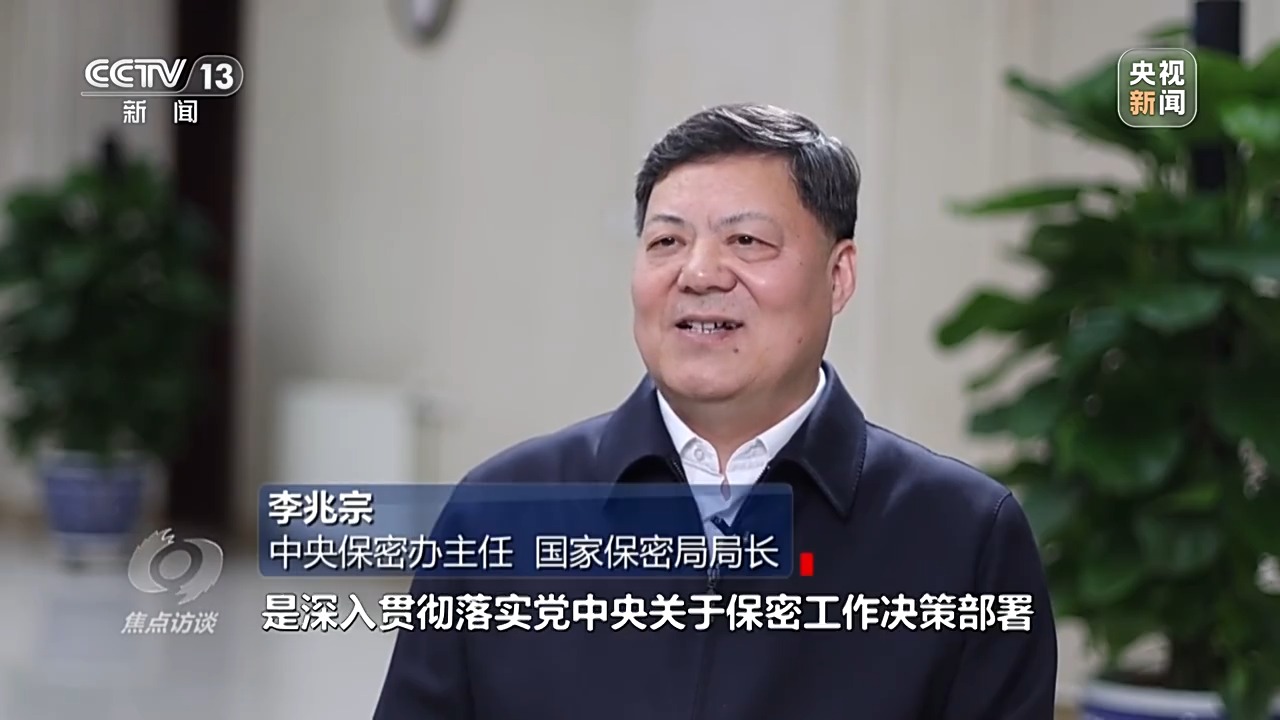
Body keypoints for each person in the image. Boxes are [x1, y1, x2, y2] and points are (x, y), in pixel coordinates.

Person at [373, 103, 1058, 720]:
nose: (699, 274)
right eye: (666, 242)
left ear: (838, 275)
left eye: (747, 241)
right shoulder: (498, 512)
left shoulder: (963, 535)